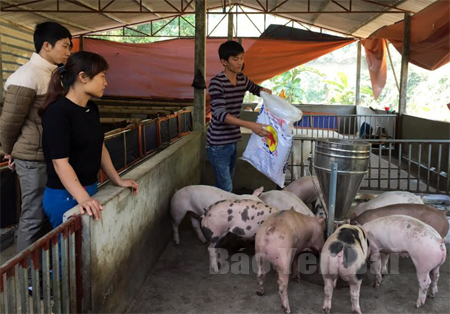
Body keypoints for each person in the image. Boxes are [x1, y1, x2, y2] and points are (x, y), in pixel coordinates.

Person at [41, 51, 138, 228]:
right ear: (83, 77)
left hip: (89, 188)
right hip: (65, 195)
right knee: (69, 253)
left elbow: (99, 147)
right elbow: (60, 163)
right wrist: (83, 198)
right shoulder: (57, 113)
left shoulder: (91, 108)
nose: (105, 82)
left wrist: (117, 179)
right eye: (102, 76)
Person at [0, 22, 72, 252]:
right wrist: (9, 151)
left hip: (47, 155)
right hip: (32, 158)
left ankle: (38, 266)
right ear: (47, 45)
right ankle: (25, 276)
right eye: (65, 46)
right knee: (33, 214)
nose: (68, 52)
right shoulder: (26, 76)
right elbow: (9, 122)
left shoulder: (52, 73)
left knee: (44, 213)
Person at [206, 40, 272, 192]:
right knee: (226, 186)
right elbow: (221, 115)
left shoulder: (242, 79)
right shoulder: (217, 83)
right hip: (217, 144)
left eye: (242, 58)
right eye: (235, 59)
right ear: (224, 61)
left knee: (224, 184)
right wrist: (251, 125)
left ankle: (213, 210)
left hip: (232, 140)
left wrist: (267, 93)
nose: (240, 62)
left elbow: (256, 89)